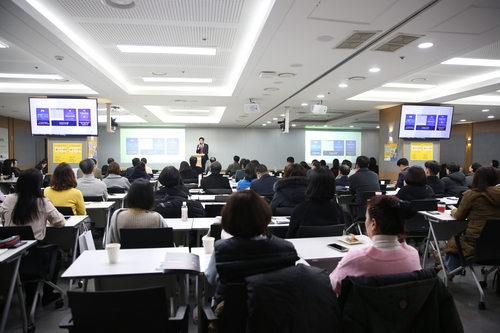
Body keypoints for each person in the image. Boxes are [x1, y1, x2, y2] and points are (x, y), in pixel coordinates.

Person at [204, 190, 299, 306]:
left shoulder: (222, 249)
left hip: (233, 315)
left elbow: (211, 278)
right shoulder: (286, 248)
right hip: (275, 315)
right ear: (265, 217)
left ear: (227, 220)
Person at [329, 195, 421, 295]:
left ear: (373, 223)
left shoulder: (355, 258)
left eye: (366, 218)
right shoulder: (413, 255)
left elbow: (331, 287)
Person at [0, 168, 66, 306]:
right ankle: (47, 294)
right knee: (56, 257)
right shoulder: (42, 201)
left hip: (9, 252)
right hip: (34, 252)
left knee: (28, 263)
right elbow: (60, 222)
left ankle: (30, 297)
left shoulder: (8, 199)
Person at [441, 167, 500, 280]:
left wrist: (453, 210)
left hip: (476, 241)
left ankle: (448, 267)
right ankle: (443, 265)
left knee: (455, 243)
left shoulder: (472, 195)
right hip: (497, 243)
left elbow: (459, 216)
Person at [286, 166, 344, 238]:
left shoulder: (300, 209)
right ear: (332, 186)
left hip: (303, 248)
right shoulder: (338, 209)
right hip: (330, 248)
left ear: (310, 185)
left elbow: (290, 236)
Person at [108, 178, 167, 244]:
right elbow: (167, 243)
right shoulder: (157, 218)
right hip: (151, 254)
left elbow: (111, 243)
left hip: (124, 254)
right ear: (150, 197)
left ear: (129, 195)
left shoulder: (117, 216)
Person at [348, 155, 380, 221]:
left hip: (360, 209)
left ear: (357, 165)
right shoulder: (375, 175)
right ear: (368, 165)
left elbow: (351, 193)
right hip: (374, 207)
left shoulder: (353, 177)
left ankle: (352, 229)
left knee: (343, 207)